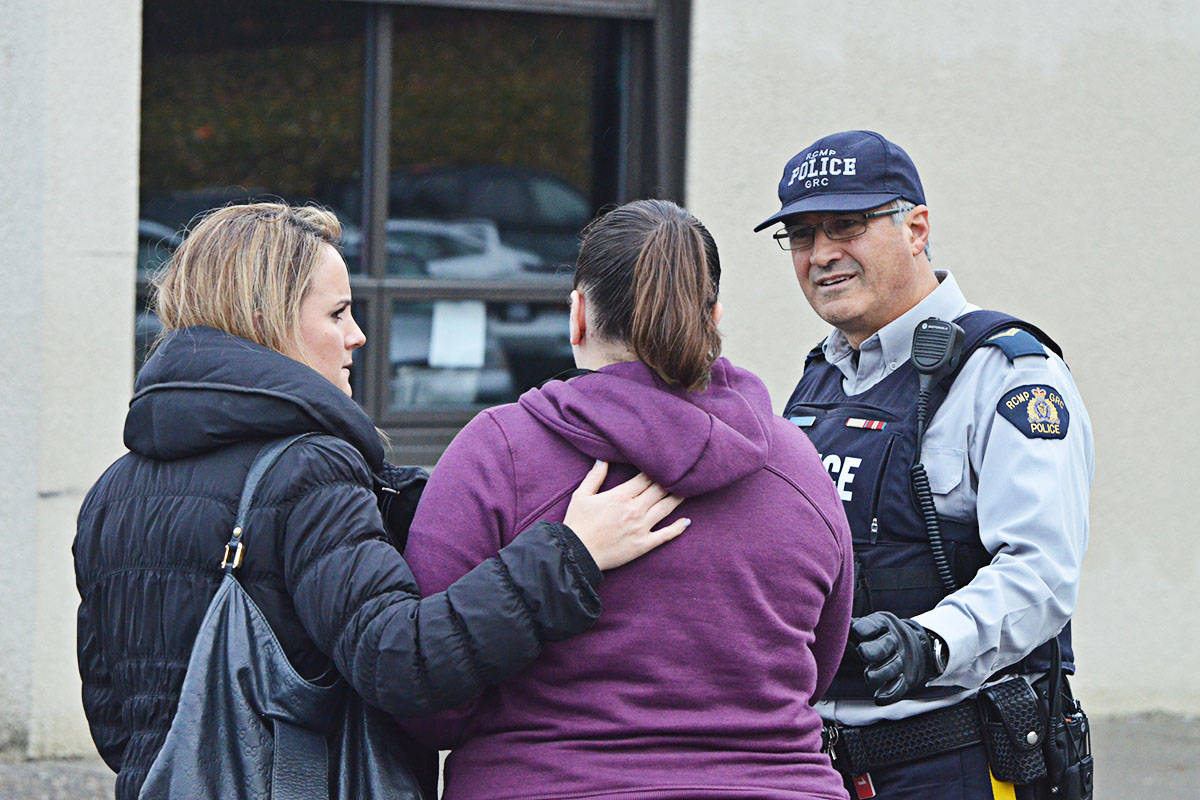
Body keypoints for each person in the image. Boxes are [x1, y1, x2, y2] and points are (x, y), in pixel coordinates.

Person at [72, 202, 690, 800]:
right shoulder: (309, 469)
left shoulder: (112, 492)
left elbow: (112, 715)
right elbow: (401, 661)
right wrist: (568, 557)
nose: (358, 335)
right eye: (338, 313)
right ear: (269, 320)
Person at [402, 199, 854, 800]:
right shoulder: (798, 463)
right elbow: (818, 666)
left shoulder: (498, 453)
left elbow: (433, 702)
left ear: (578, 316)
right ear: (714, 317)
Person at [753, 131, 1094, 800]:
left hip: (959, 758)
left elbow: (1042, 571)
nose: (822, 254)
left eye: (846, 226)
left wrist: (933, 642)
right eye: (801, 235)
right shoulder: (816, 381)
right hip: (819, 766)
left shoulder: (1006, 373)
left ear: (916, 229)